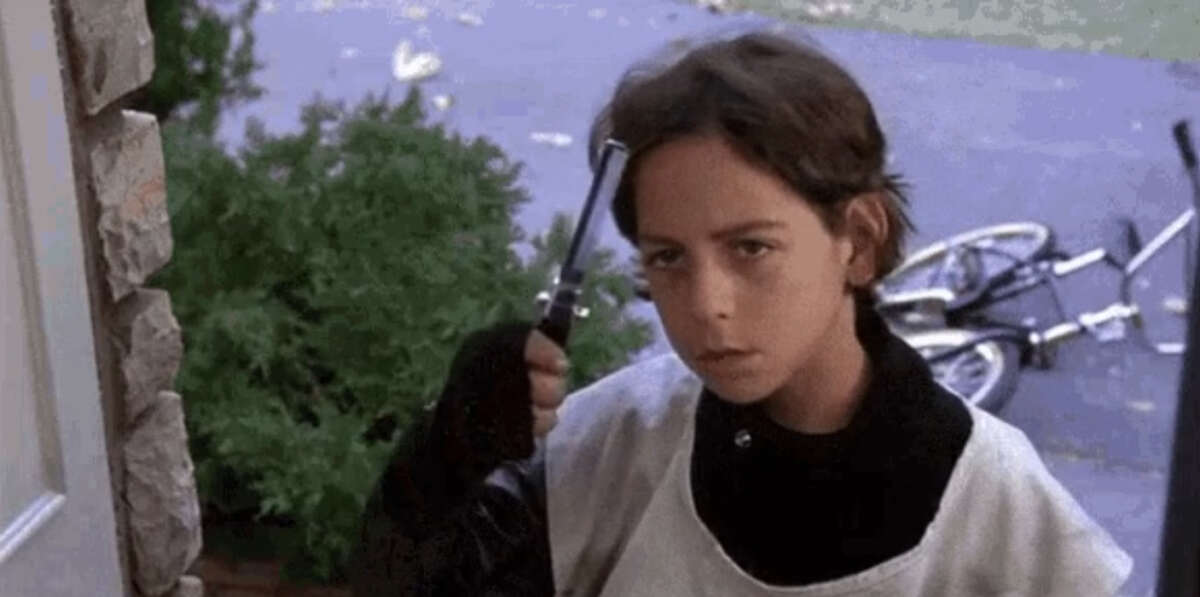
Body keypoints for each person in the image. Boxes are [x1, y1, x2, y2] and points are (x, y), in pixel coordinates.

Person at [349, 28, 1133, 596]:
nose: (705, 306)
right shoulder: (617, 445)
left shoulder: (999, 510)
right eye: (667, 257)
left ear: (856, 241)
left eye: (751, 248)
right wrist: (446, 460)